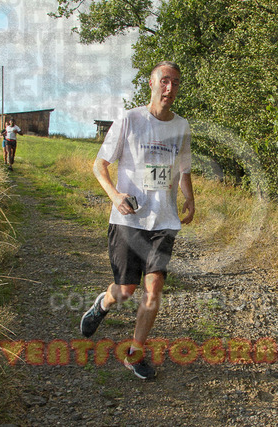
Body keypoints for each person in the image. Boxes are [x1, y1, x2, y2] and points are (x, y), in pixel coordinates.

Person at [80, 61, 195, 380]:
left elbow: (184, 168)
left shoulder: (181, 126)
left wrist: (189, 198)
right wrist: (115, 196)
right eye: (165, 81)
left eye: (175, 83)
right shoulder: (130, 119)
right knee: (126, 289)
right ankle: (103, 304)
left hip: (163, 220)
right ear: (152, 83)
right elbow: (99, 165)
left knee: (153, 288)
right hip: (128, 219)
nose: (170, 88)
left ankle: (134, 354)